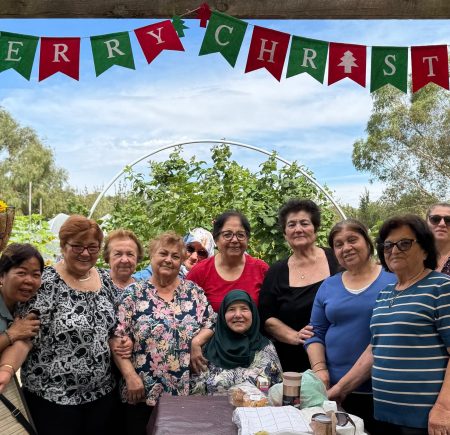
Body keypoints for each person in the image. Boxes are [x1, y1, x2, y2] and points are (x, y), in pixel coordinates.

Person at [328, 215, 450, 435]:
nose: (394, 250)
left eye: (404, 243)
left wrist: (444, 408)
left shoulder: (441, 287)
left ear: (424, 249)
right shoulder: (386, 294)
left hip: (425, 420)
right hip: (384, 415)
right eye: (388, 245)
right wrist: (339, 390)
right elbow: (376, 349)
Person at [0, 215, 121, 435]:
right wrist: (7, 370)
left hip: (102, 396)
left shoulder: (106, 280)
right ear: (63, 245)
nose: (85, 253)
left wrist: (123, 341)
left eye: (92, 247)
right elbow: (25, 337)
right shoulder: (45, 283)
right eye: (77, 246)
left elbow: (113, 330)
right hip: (53, 401)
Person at [113, 231, 216, 435]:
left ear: (182, 261)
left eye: (175, 256)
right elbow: (118, 338)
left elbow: (211, 322)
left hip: (184, 394)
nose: (169, 260)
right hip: (140, 392)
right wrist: (130, 376)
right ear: (152, 255)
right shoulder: (133, 294)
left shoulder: (193, 292)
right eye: (163, 254)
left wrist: (196, 342)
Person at [304, 219, 395, 434]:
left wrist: (339, 387)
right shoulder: (329, 285)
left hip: (380, 392)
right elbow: (315, 333)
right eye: (339, 244)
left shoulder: (393, 281)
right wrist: (321, 371)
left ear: (368, 242)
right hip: (334, 393)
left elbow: (388, 340)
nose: (346, 248)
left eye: (353, 240)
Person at [258, 199, 340, 372]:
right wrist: (294, 336)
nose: (298, 229)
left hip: (340, 356)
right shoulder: (276, 272)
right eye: (291, 225)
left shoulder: (337, 260)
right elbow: (267, 317)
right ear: (285, 233)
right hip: (294, 362)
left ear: (315, 228)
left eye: (304, 223)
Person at [190, 289, 282, 395]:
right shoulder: (207, 348)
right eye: (231, 309)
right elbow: (196, 393)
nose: (238, 315)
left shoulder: (266, 347)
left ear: (253, 313)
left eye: (244, 309)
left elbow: (277, 391)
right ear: (223, 315)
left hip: (257, 410)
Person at [187, 211, 269, 312]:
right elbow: (187, 314)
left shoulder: (261, 269)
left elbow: (270, 312)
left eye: (240, 235)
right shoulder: (199, 272)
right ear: (216, 239)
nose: (234, 240)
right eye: (227, 235)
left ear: (247, 239)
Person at [0, 243, 43, 354]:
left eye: (36, 275)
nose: (29, 280)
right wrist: (11, 334)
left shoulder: (26, 308)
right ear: (1, 276)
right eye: (21, 273)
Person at [133, 227, 214, 281]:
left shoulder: (210, 281)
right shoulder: (164, 268)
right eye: (190, 249)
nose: (194, 257)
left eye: (202, 253)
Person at [426, 202, 450, 275]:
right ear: (425, 223)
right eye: (435, 219)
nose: (442, 224)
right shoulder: (413, 256)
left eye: (449, 220)